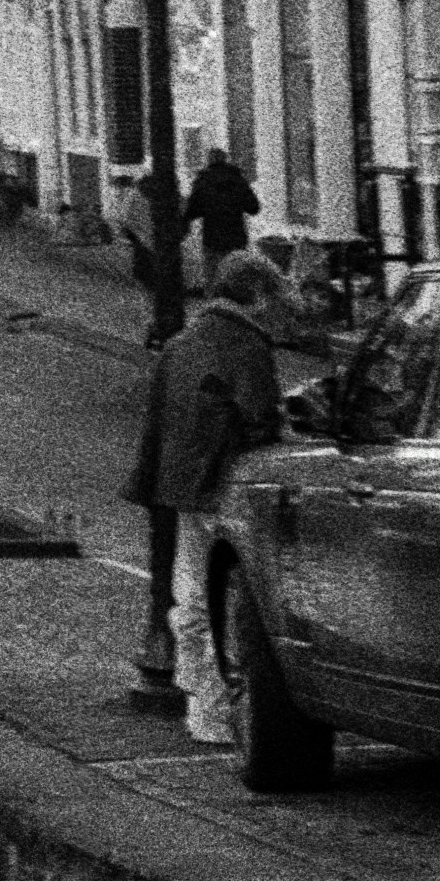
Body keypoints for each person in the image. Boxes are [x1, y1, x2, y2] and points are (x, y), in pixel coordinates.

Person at [125, 250, 288, 741]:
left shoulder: (182, 343)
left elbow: (159, 420)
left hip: (182, 487)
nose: (276, 309)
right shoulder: (245, 347)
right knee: (233, 602)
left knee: (191, 597)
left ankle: (202, 707)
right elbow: (261, 421)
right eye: (273, 298)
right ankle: (225, 709)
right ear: (256, 296)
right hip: (226, 487)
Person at [184, 148, 262, 269]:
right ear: (226, 160)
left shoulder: (203, 181)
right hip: (236, 239)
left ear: (209, 161)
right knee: (236, 274)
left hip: (212, 240)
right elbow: (254, 208)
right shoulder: (238, 179)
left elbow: (191, 211)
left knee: (214, 278)